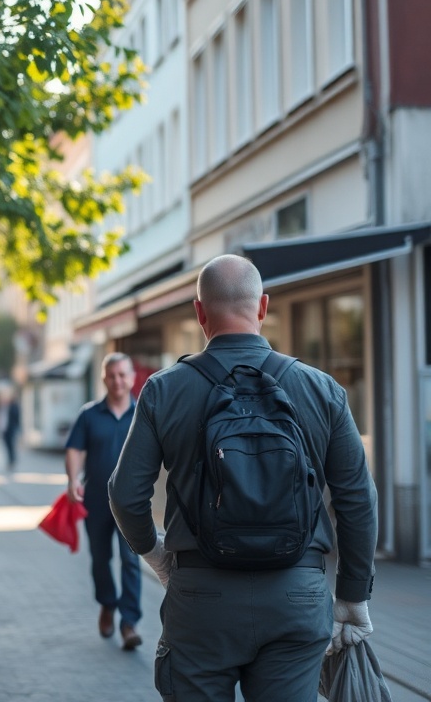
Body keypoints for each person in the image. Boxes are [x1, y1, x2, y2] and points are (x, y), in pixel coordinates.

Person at [108, 255, 378, 700]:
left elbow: (124, 495)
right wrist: (352, 595)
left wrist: (157, 555)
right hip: (297, 597)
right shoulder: (321, 388)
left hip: (200, 599)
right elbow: (357, 499)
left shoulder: (164, 389)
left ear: (199, 313)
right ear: (263, 307)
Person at [64, 353, 142, 650]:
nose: (117, 381)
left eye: (122, 375)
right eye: (112, 375)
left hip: (131, 503)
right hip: (96, 500)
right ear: (103, 379)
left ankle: (129, 623)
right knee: (100, 558)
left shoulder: (143, 414)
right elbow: (74, 449)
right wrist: (73, 479)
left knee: (130, 560)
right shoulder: (89, 415)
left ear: (132, 378)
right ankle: (108, 604)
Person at [0, 390, 21, 471]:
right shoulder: (0, 408)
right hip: (3, 429)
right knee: (6, 445)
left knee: (11, 445)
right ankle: (10, 460)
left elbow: (16, 417)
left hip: (11, 429)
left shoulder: (13, 406)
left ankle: (12, 460)